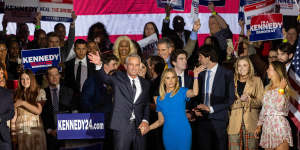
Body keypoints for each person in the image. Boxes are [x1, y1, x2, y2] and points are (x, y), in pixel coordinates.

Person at [88, 53, 151, 150]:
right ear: (126, 66)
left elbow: (146, 104)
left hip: (140, 127)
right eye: (131, 64)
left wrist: (145, 120)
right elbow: (105, 78)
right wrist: (99, 65)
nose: (134, 68)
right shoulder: (118, 78)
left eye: (137, 65)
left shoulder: (146, 83)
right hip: (121, 126)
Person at [192, 45, 235, 150]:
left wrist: (210, 109)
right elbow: (194, 96)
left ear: (209, 57)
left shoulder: (227, 73)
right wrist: (196, 108)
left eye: (200, 57)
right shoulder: (199, 74)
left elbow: (230, 99)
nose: (198, 59)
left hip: (219, 119)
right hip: (202, 119)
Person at [148, 67, 202, 150]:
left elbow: (195, 93)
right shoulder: (159, 99)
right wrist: (148, 128)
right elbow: (160, 121)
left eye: (173, 77)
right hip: (168, 134)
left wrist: (195, 76)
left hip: (183, 132)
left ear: (176, 79)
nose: (171, 80)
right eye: (168, 78)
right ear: (163, 80)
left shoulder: (182, 92)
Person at [254, 61, 295, 149]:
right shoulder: (267, 88)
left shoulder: (283, 87)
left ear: (277, 71)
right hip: (267, 127)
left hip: (279, 127)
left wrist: (281, 90)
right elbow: (264, 109)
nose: (267, 70)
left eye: (270, 69)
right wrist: (259, 126)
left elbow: (279, 107)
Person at [227, 56, 264, 150]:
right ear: (236, 67)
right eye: (239, 65)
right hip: (234, 124)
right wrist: (240, 101)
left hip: (251, 123)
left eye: (244, 65)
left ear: (249, 67)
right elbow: (227, 103)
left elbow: (261, 102)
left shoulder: (257, 80)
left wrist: (249, 100)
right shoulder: (231, 81)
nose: (241, 68)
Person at [11, 70, 47, 150]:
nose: (25, 81)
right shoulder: (16, 93)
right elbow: (14, 116)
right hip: (21, 130)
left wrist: (23, 103)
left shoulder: (39, 91)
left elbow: (38, 111)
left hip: (35, 128)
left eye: (27, 78)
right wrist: (13, 134)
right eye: (22, 79)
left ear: (32, 79)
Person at [41, 67, 75, 149]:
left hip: (67, 133)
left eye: (56, 74)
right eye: (51, 75)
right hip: (50, 135)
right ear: (47, 77)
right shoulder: (42, 93)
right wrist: (49, 130)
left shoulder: (69, 91)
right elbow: (42, 114)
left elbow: (74, 112)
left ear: (59, 75)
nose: (54, 77)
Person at [0, 65, 14, 150]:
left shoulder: (7, 93)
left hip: (2, 137)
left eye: (2, 73)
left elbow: (11, 112)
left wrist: (0, 118)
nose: (1, 75)